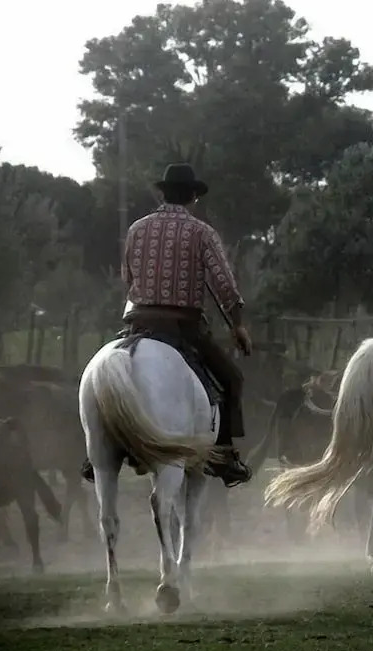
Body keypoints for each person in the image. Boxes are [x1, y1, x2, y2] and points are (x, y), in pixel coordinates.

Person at [82, 163, 253, 487]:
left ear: (163, 194)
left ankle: (97, 452)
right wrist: (238, 325)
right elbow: (224, 286)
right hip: (182, 326)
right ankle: (224, 455)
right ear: (193, 197)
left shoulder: (136, 229)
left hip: (138, 323)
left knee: (104, 371)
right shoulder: (202, 232)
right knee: (232, 379)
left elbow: (128, 278)